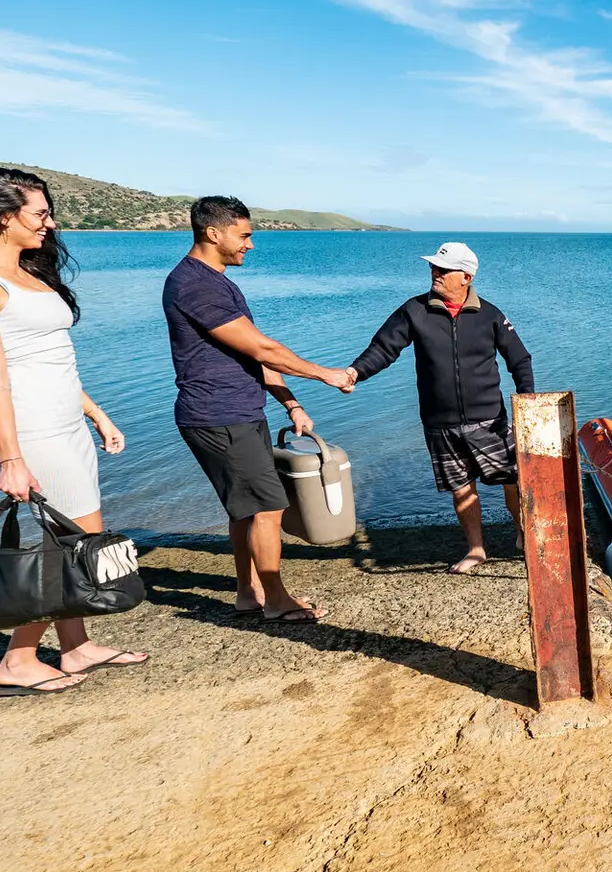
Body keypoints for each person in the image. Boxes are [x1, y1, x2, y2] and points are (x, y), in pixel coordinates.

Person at [0, 167, 146, 696]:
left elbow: (51, 359)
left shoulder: (26, 270)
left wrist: (96, 413)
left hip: (65, 421)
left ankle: (75, 647)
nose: (50, 224)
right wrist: (11, 457)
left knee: (69, 539)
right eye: (40, 214)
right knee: (73, 544)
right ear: (4, 217)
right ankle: (17, 659)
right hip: (29, 430)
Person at [163, 196, 354, 622]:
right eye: (244, 235)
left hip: (232, 413)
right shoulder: (195, 285)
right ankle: (276, 600)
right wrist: (326, 374)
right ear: (214, 233)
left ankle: (248, 593)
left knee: (245, 509)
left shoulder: (215, 281)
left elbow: (255, 357)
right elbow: (264, 348)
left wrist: (291, 403)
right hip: (220, 415)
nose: (250, 245)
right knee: (268, 508)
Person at [347, 242, 533, 574]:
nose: (435, 272)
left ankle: (525, 533)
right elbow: (383, 349)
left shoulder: (490, 314)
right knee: (461, 489)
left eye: (443, 269)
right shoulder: (414, 310)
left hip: (490, 420)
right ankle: (476, 550)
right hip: (439, 422)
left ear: (466, 276)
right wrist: (355, 372)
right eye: (434, 267)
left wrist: (527, 405)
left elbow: (519, 360)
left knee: (514, 481)